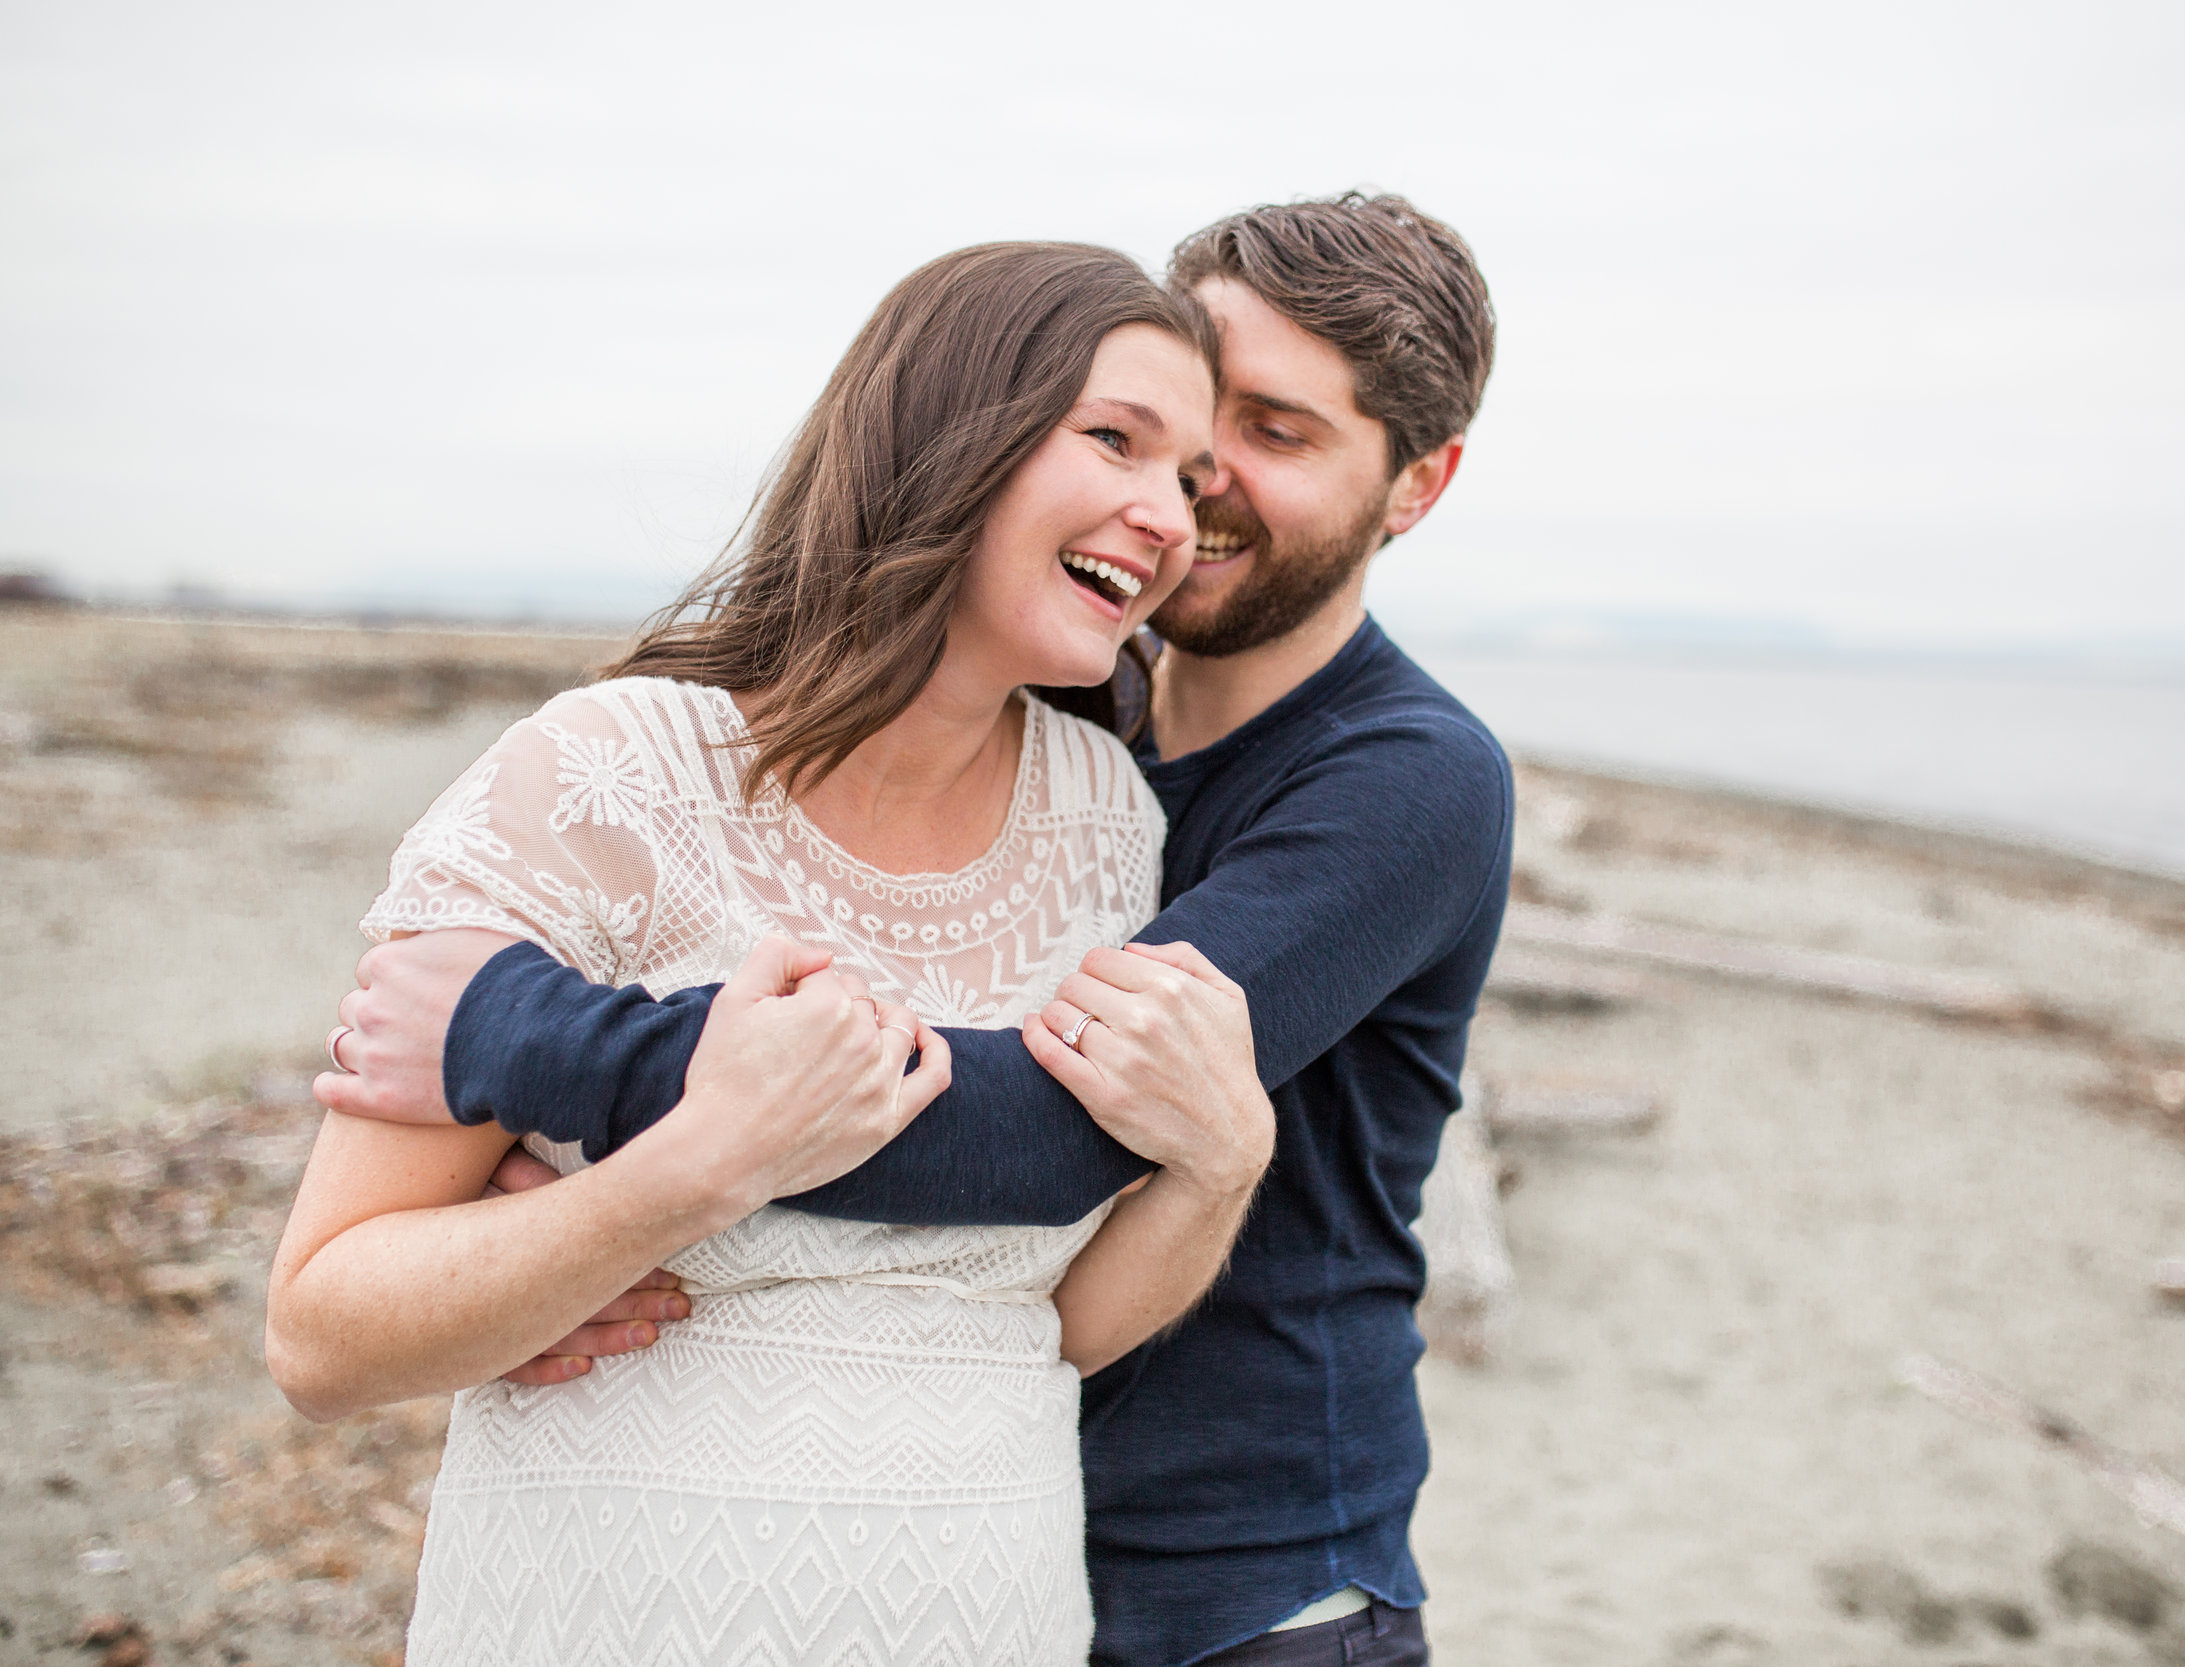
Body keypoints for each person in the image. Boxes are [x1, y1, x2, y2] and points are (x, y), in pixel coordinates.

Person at [324, 193, 1511, 1667]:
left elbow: (1043, 1130)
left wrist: (536, 1043)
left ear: (1418, 484)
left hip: (1236, 1571)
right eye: (1168, 431)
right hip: (985, 1532)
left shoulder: (1406, 778)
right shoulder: (1071, 714)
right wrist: (542, 1239)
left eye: (1274, 435)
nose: (1200, 491)